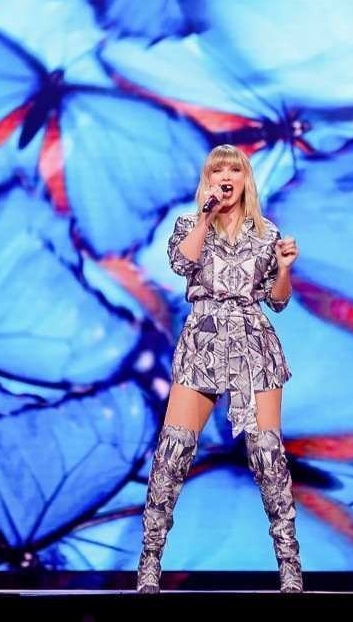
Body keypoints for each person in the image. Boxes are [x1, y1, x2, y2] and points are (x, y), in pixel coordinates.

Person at [136, 145, 301, 593]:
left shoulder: (267, 234)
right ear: (207, 181)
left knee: (268, 456)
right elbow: (182, 263)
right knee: (172, 453)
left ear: (246, 180)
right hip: (203, 341)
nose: (226, 177)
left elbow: (279, 300)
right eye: (217, 171)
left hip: (252, 343)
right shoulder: (191, 225)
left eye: (234, 170)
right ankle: (150, 562)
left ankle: (289, 565)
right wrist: (207, 216)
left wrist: (284, 269)